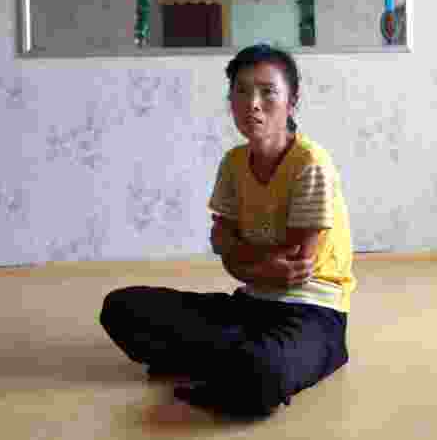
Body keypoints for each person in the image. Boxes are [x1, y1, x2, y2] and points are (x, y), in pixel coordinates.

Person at [99, 44, 356, 416]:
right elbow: (224, 245)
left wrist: (239, 252)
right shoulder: (234, 163)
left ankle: (238, 361)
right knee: (122, 307)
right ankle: (233, 358)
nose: (253, 103)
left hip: (312, 313)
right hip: (250, 306)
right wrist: (251, 260)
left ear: (292, 100)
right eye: (241, 91)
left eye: (268, 92)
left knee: (262, 369)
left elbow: (294, 269)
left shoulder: (310, 162)